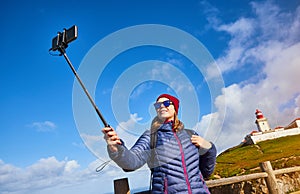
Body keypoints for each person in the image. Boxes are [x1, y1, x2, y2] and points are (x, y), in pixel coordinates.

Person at [102, 94, 217, 194]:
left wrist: (209, 148)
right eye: (157, 105)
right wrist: (116, 148)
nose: (161, 106)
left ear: (175, 108)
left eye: (166, 103)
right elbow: (132, 162)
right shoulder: (151, 136)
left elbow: (206, 171)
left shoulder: (191, 134)